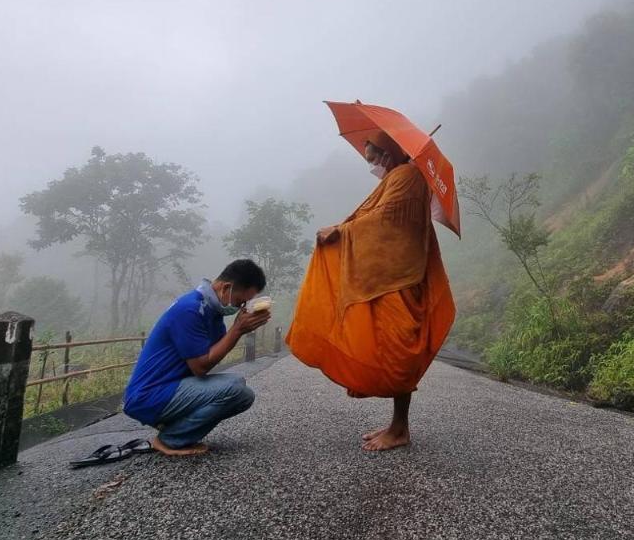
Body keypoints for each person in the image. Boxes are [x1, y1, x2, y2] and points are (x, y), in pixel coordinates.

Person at [287, 133, 456, 451]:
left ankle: (400, 428)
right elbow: (370, 215)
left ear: (388, 152)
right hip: (390, 276)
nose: (373, 165)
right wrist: (344, 226)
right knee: (391, 351)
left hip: (399, 278)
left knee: (399, 354)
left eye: (374, 158)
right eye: (369, 160)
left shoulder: (407, 176)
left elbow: (384, 223)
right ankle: (396, 424)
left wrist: (341, 231)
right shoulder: (397, 176)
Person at [123, 259, 271, 456]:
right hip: (149, 394)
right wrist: (238, 329)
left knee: (243, 392)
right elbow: (200, 368)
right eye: (240, 302)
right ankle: (170, 440)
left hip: (172, 387)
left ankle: (174, 427)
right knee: (235, 389)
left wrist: (237, 330)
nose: (241, 308)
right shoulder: (190, 309)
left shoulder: (213, 315)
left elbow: (206, 363)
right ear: (227, 287)